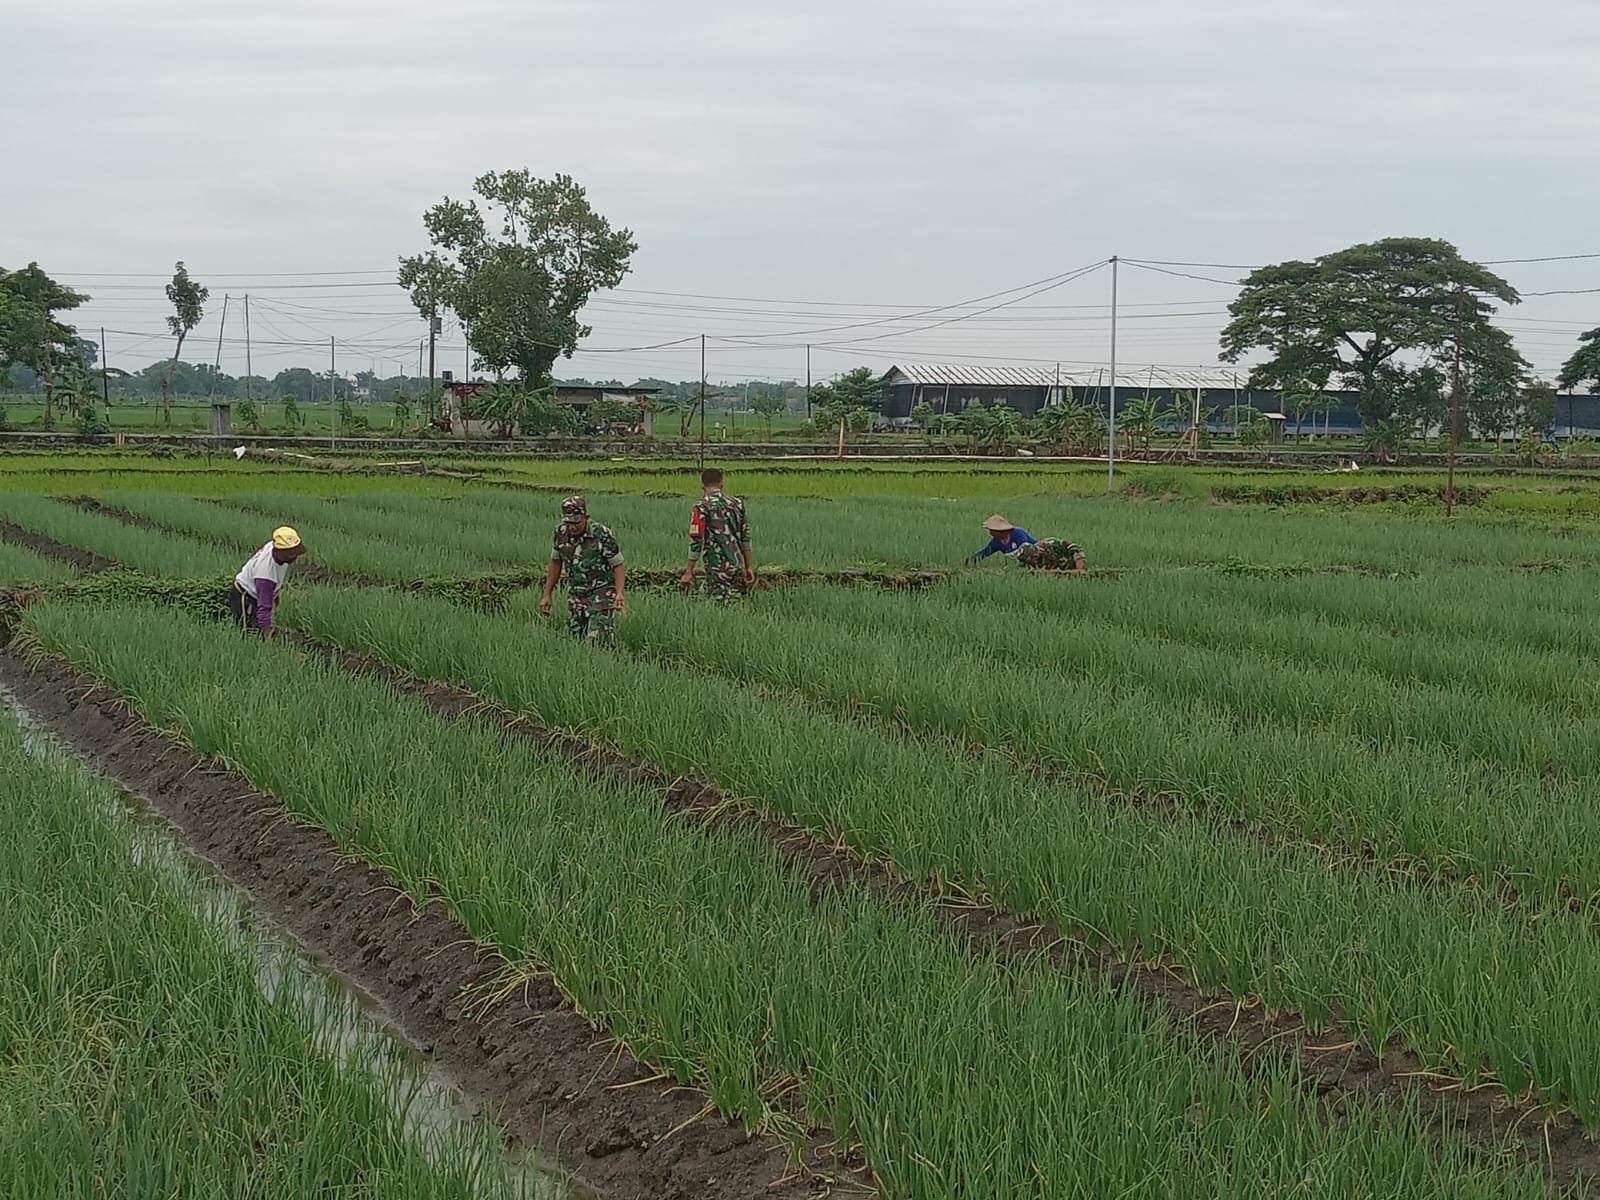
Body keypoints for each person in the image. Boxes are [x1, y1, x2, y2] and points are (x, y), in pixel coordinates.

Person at [540, 495, 626, 643]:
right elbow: (555, 562)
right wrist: (547, 594)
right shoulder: (561, 533)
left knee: (597, 642)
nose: (572, 527)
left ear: (586, 517)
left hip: (601, 594)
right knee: (576, 641)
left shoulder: (601, 534)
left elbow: (617, 564)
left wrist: (619, 593)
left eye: (576, 522)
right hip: (576, 596)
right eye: (568, 522)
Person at [680, 467, 754, 603]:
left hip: (716, 568)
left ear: (702, 485)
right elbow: (745, 538)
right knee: (735, 603)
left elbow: (697, 541)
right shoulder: (737, 504)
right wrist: (748, 567)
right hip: (737, 565)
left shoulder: (701, 507)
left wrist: (689, 570)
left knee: (716, 605)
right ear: (721, 484)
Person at [230, 526, 306, 636]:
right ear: (280, 552)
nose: (294, 557)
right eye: (291, 554)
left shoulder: (276, 548)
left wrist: (275, 593)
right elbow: (264, 609)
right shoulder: (265, 574)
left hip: (257, 591)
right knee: (250, 635)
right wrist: (267, 636)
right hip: (245, 598)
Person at [970, 514, 1038, 561]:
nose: (990, 533)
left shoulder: (1018, 533)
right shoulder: (996, 542)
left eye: (992, 531)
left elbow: (1026, 549)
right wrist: (969, 561)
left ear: (999, 531)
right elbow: (984, 552)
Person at [1016, 538, 1087, 572]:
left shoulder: (1052, 545)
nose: (1029, 563)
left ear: (1035, 555)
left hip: (1068, 568)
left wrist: (1079, 570)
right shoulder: (1027, 561)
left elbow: (1075, 548)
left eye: (1029, 560)